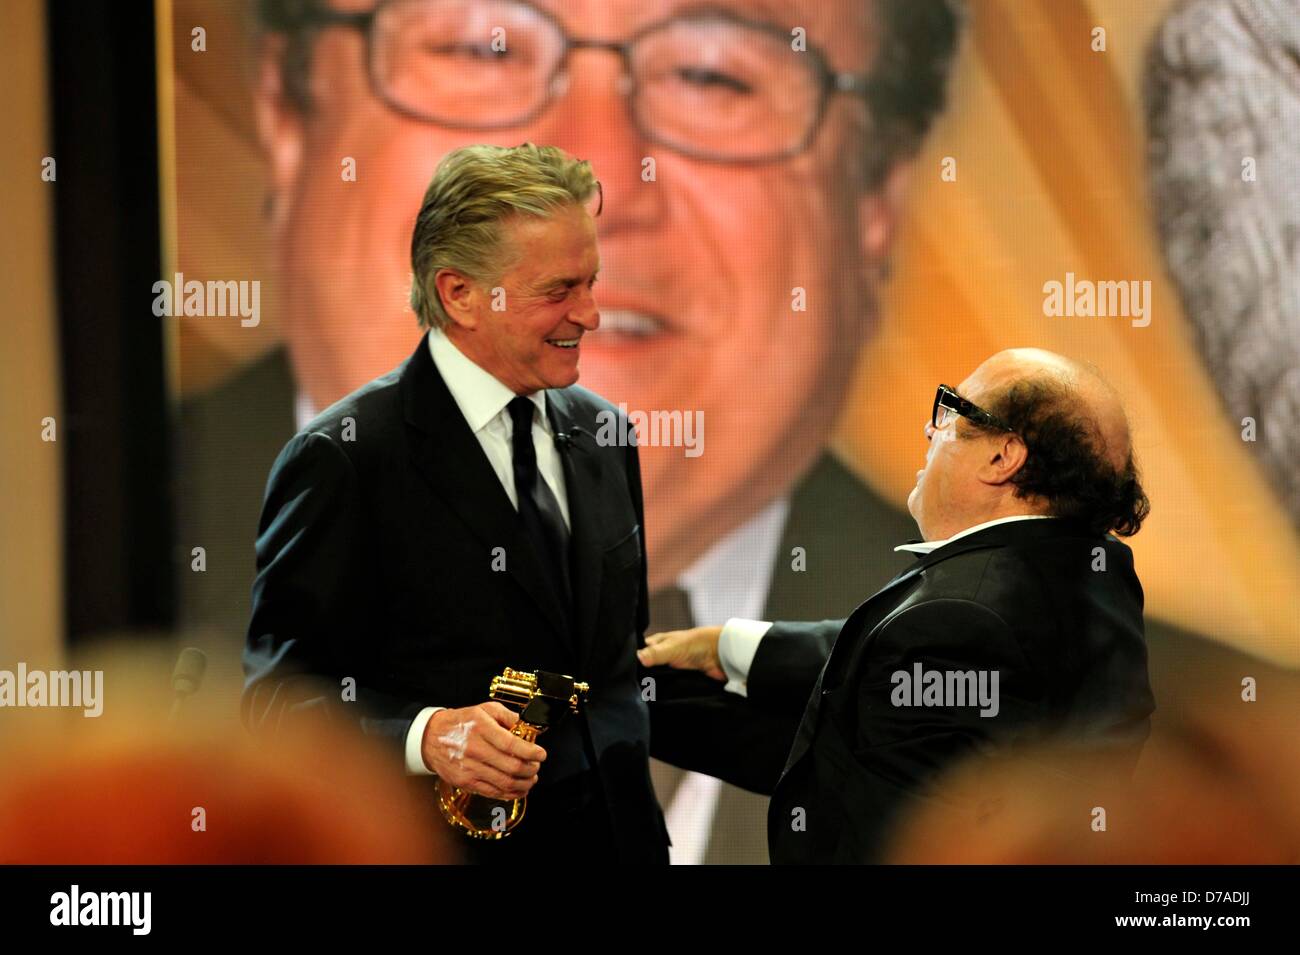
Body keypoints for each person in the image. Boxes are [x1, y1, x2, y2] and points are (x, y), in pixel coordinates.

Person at [243, 143, 675, 862]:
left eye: (593, 281)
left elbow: (612, 674)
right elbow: (278, 706)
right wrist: (426, 734)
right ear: (458, 293)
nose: (592, 314)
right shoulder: (347, 457)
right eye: (559, 290)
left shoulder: (604, 431)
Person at [640, 349, 1157, 862]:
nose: (931, 430)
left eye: (952, 409)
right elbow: (874, 703)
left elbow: (876, 809)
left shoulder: (959, 617)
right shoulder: (1095, 570)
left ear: (1004, 457)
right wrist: (735, 646)